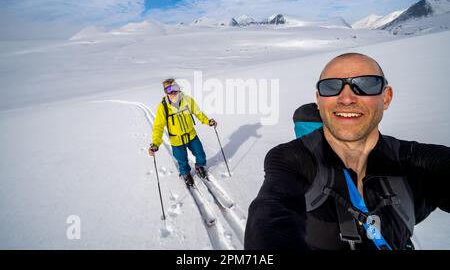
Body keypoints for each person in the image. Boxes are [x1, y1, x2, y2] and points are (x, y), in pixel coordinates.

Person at [245, 53, 450, 250]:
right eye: (331, 87)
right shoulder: (293, 159)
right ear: (319, 99)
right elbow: (269, 217)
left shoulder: (415, 162)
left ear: (386, 97)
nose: (346, 98)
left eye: (366, 84)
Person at [148, 78, 217, 186]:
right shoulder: (163, 107)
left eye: (175, 88)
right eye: (169, 90)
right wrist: (155, 143)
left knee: (201, 154)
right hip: (176, 140)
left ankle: (199, 166)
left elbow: (198, 113)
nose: (173, 93)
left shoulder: (187, 100)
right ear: (166, 92)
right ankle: (185, 174)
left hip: (191, 135)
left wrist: (208, 121)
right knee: (182, 160)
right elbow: (158, 127)